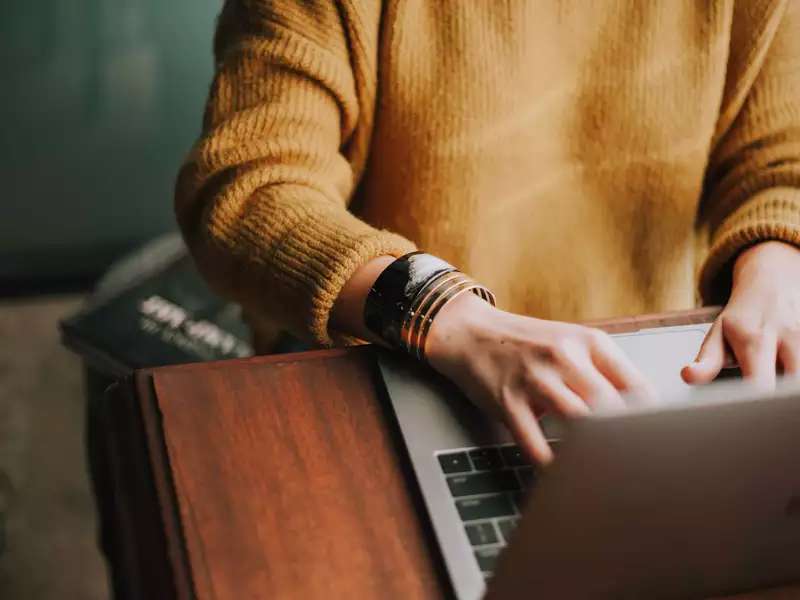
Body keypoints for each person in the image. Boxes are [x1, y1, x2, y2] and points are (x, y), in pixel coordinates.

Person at [176, 0, 800, 464]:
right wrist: (445, 316)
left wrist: (776, 265)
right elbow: (250, 189)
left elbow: (781, 164)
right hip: (395, 370)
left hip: (655, 382)